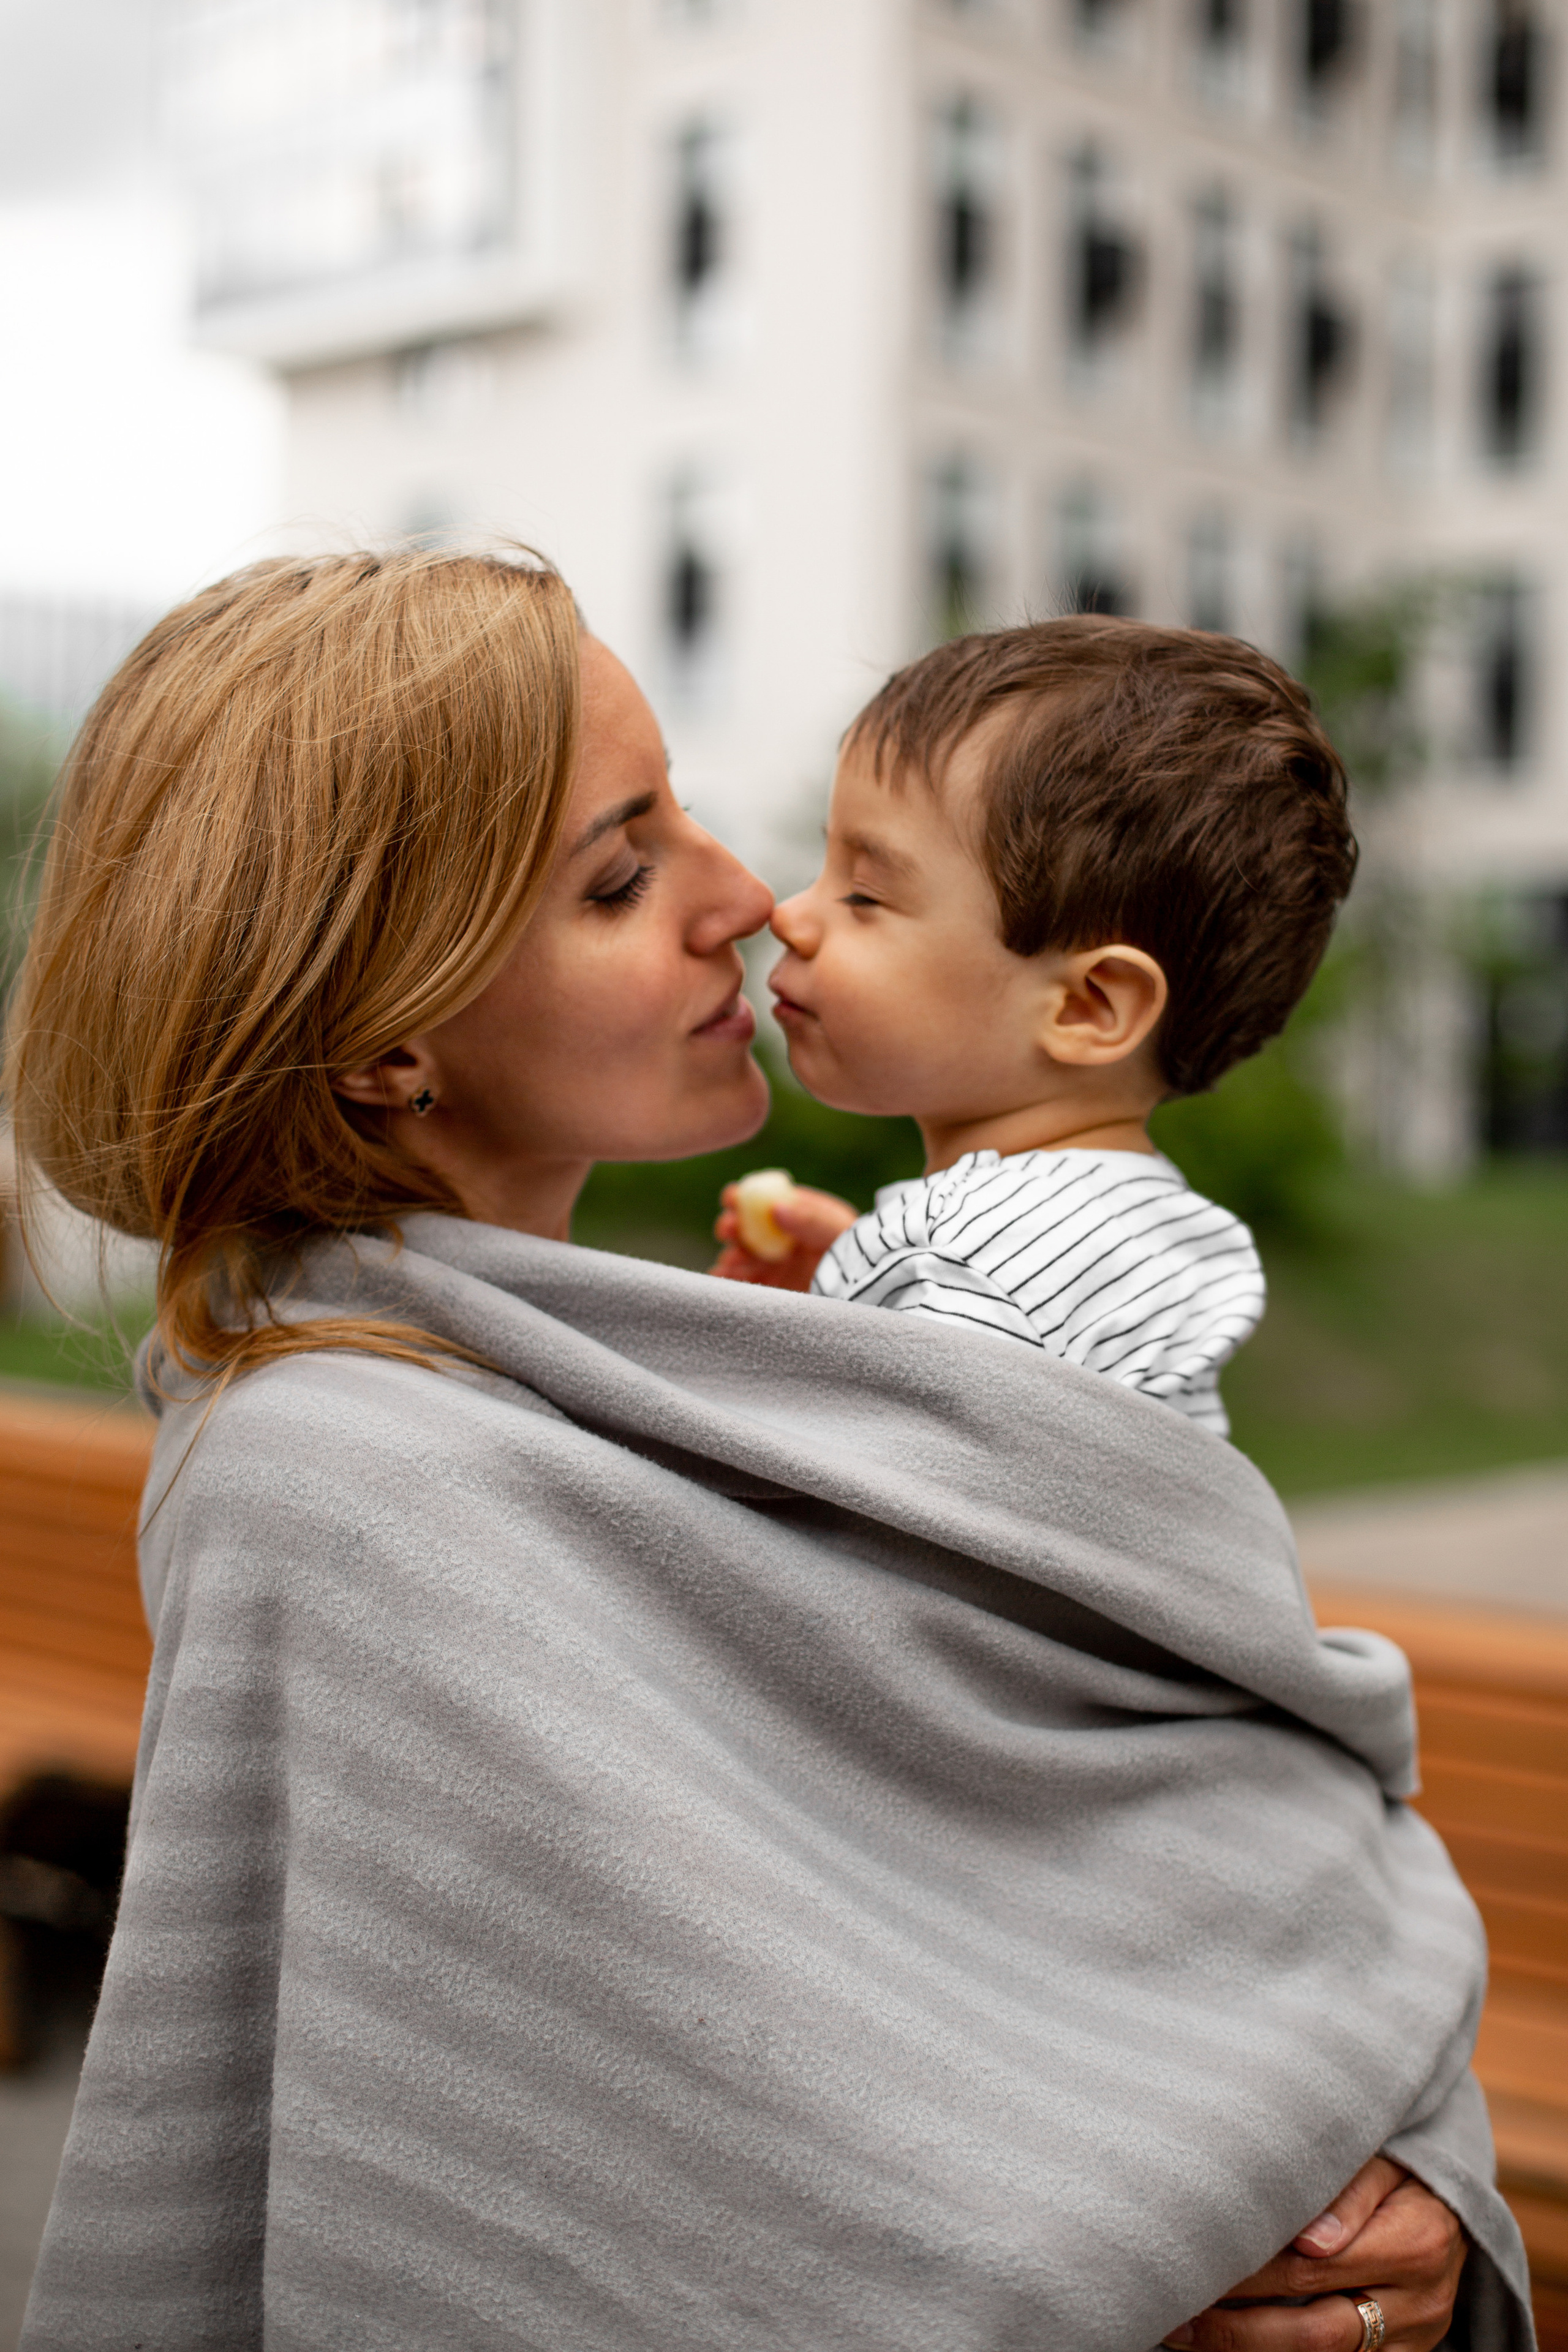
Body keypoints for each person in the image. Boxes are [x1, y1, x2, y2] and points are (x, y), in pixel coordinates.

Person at [7, 551, 1520, 2352]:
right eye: (624, 873)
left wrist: (1399, 2193)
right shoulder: (345, 1477)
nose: (746, 901)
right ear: (386, 1038)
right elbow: (675, 2175)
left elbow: (1217, 1802)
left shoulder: (651, 1362)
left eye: (693, 821)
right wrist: (1154, 2234)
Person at [713, 620, 1345, 1458]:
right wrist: (856, 1309)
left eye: (864, 894)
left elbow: (845, 1549)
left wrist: (886, 1295)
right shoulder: (1151, 1228)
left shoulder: (957, 1263)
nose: (789, 915)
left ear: (1087, 1006)